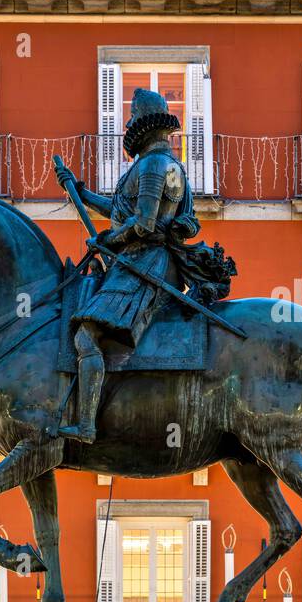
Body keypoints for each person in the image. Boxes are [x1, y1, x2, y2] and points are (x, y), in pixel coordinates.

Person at [54, 87, 235, 443]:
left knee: (87, 334)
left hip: (146, 263)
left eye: (132, 115)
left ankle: (87, 425)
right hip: (140, 260)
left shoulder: (154, 166)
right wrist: (78, 191)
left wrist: (109, 240)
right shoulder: (163, 165)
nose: (128, 123)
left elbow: (145, 224)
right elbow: (121, 211)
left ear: (145, 123)